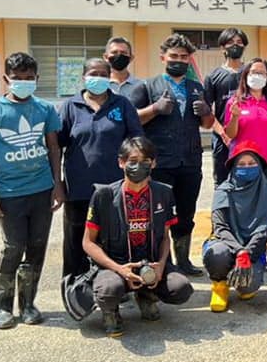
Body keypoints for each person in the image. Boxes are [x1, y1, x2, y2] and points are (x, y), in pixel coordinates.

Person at [0, 52, 65, 329]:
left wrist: (57, 186)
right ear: (6, 79)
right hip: (10, 192)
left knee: (37, 247)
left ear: (36, 79)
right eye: (17, 78)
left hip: (42, 190)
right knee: (13, 247)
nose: (23, 83)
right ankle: (2, 306)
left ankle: (28, 304)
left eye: (28, 78)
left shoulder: (45, 109)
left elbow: (53, 148)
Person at [82, 137, 194, 338]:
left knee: (181, 288)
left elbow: (166, 237)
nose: (138, 166)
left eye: (145, 160)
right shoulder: (104, 195)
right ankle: (111, 311)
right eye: (132, 160)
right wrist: (119, 269)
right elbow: (88, 242)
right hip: (115, 265)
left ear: (154, 163)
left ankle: (146, 295)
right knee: (108, 290)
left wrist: (160, 265)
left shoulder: (163, 193)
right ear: (121, 162)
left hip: (150, 264)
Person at [129, 33, 213, 276]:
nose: (179, 60)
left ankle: (184, 260)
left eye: (184, 57)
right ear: (163, 57)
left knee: (186, 213)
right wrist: (155, 109)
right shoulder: (147, 86)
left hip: (189, 161)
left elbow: (207, 124)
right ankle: (162, 260)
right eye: (174, 56)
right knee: (159, 213)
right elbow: (133, 118)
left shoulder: (196, 87)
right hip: (160, 162)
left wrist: (206, 111)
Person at [58, 57, 143, 278]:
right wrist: (57, 184)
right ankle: (75, 286)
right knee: (76, 239)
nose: (98, 78)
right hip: (78, 189)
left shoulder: (122, 105)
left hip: (114, 189)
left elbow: (136, 143)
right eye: (93, 74)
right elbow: (56, 146)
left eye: (103, 75)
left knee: (114, 239)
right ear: (84, 77)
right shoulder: (70, 106)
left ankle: (114, 286)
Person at [203, 141, 267, 311]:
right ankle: (219, 286)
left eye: (252, 164)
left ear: (259, 166)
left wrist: (248, 252)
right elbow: (220, 228)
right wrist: (239, 250)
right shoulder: (223, 191)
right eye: (242, 164)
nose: (247, 167)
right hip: (225, 243)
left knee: (248, 287)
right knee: (218, 255)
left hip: (252, 249)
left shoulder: (266, 194)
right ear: (233, 167)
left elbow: (262, 231)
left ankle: (242, 283)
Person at [223, 58, 267, 188]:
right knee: (244, 202)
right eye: (253, 72)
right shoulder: (235, 101)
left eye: (261, 73)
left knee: (266, 202)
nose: (257, 76)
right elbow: (230, 134)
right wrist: (235, 117)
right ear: (246, 75)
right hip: (244, 162)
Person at [203, 27, 249, 186]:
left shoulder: (251, 73)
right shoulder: (213, 76)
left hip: (249, 136)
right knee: (223, 183)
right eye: (230, 42)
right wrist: (222, 133)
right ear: (222, 47)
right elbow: (207, 112)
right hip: (223, 140)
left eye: (239, 42)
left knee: (249, 179)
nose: (235, 45)